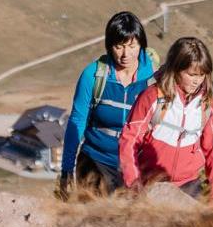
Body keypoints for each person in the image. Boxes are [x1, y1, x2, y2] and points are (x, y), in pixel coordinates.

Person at [118, 36, 213, 204]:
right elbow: (129, 141)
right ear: (176, 69)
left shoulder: (207, 106)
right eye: (191, 74)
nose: (197, 80)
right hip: (150, 186)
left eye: (202, 74)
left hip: (189, 187)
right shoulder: (152, 97)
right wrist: (133, 185)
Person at [59, 12, 157, 196]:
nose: (125, 54)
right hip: (95, 161)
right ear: (109, 46)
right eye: (118, 46)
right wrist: (66, 169)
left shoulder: (154, 79)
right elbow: (77, 122)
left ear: (141, 44)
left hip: (136, 167)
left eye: (132, 46)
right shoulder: (94, 75)